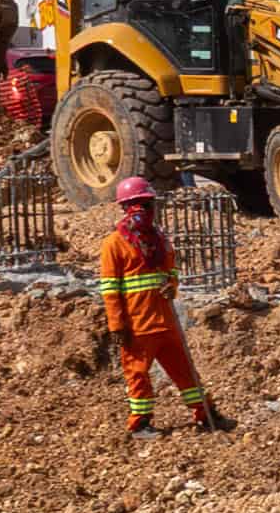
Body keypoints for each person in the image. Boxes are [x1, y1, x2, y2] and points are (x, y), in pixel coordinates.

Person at [94, 172, 225, 433]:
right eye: (140, 205)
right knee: (138, 376)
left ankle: (206, 413)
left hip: (166, 322)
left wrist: (171, 286)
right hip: (137, 327)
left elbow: (171, 272)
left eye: (149, 204)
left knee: (186, 372)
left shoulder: (160, 240)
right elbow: (110, 289)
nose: (146, 210)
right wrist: (117, 325)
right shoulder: (113, 245)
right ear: (127, 208)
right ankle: (140, 423)